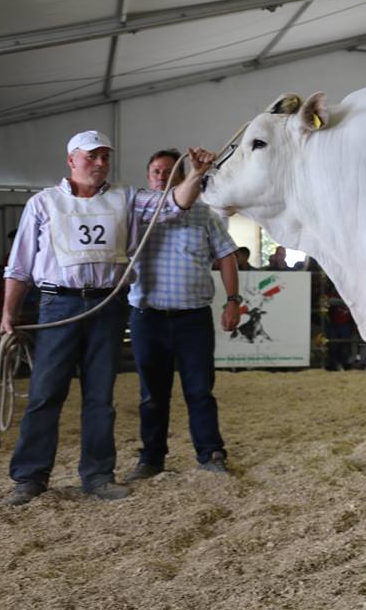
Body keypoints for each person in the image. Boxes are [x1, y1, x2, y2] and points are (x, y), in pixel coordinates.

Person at [0, 131, 214, 506]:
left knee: (100, 395)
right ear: (72, 160)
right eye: (92, 156)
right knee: (45, 393)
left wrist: (195, 174)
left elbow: (174, 204)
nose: (100, 163)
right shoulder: (43, 202)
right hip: (59, 304)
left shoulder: (126, 197)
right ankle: (30, 477)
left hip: (107, 305)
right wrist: (8, 314)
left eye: (105, 157)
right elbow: (19, 266)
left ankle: (98, 475)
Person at [123, 149, 241, 483]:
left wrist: (233, 300)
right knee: (151, 393)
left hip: (193, 317)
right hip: (148, 315)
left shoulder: (204, 215)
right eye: (156, 171)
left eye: (168, 171)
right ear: (148, 176)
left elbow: (227, 257)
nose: (161, 176)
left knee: (200, 389)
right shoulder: (135, 213)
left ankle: (211, 452)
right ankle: (151, 457)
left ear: (181, 177)